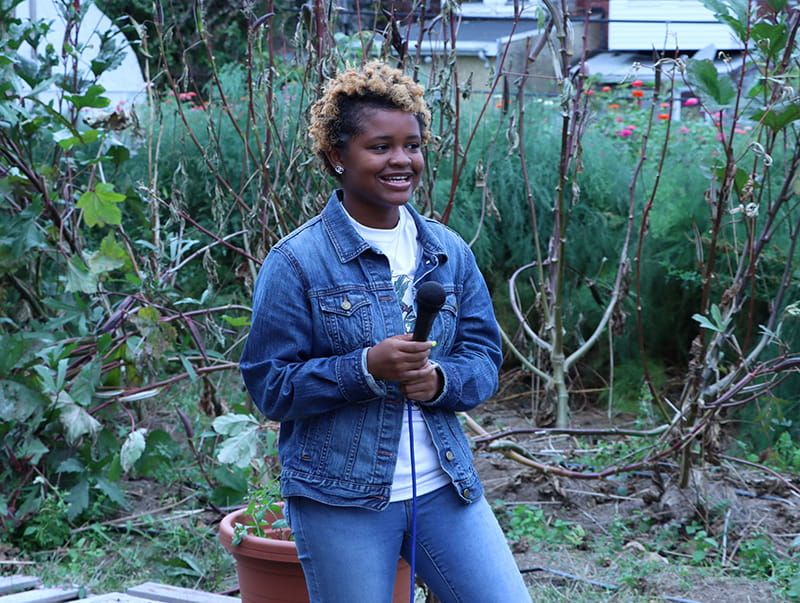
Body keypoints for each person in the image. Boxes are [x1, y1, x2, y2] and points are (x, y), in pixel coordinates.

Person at [240, 61, 531, 603]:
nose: (402, 160)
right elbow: (269, 386)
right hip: (339, 499)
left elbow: (484, 358)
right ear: (335, 156)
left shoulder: (448, 252)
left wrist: (441, 380)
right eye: (380, 147)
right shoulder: (297, 262)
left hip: (445, 488)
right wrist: (365, 369)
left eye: (412, 145)